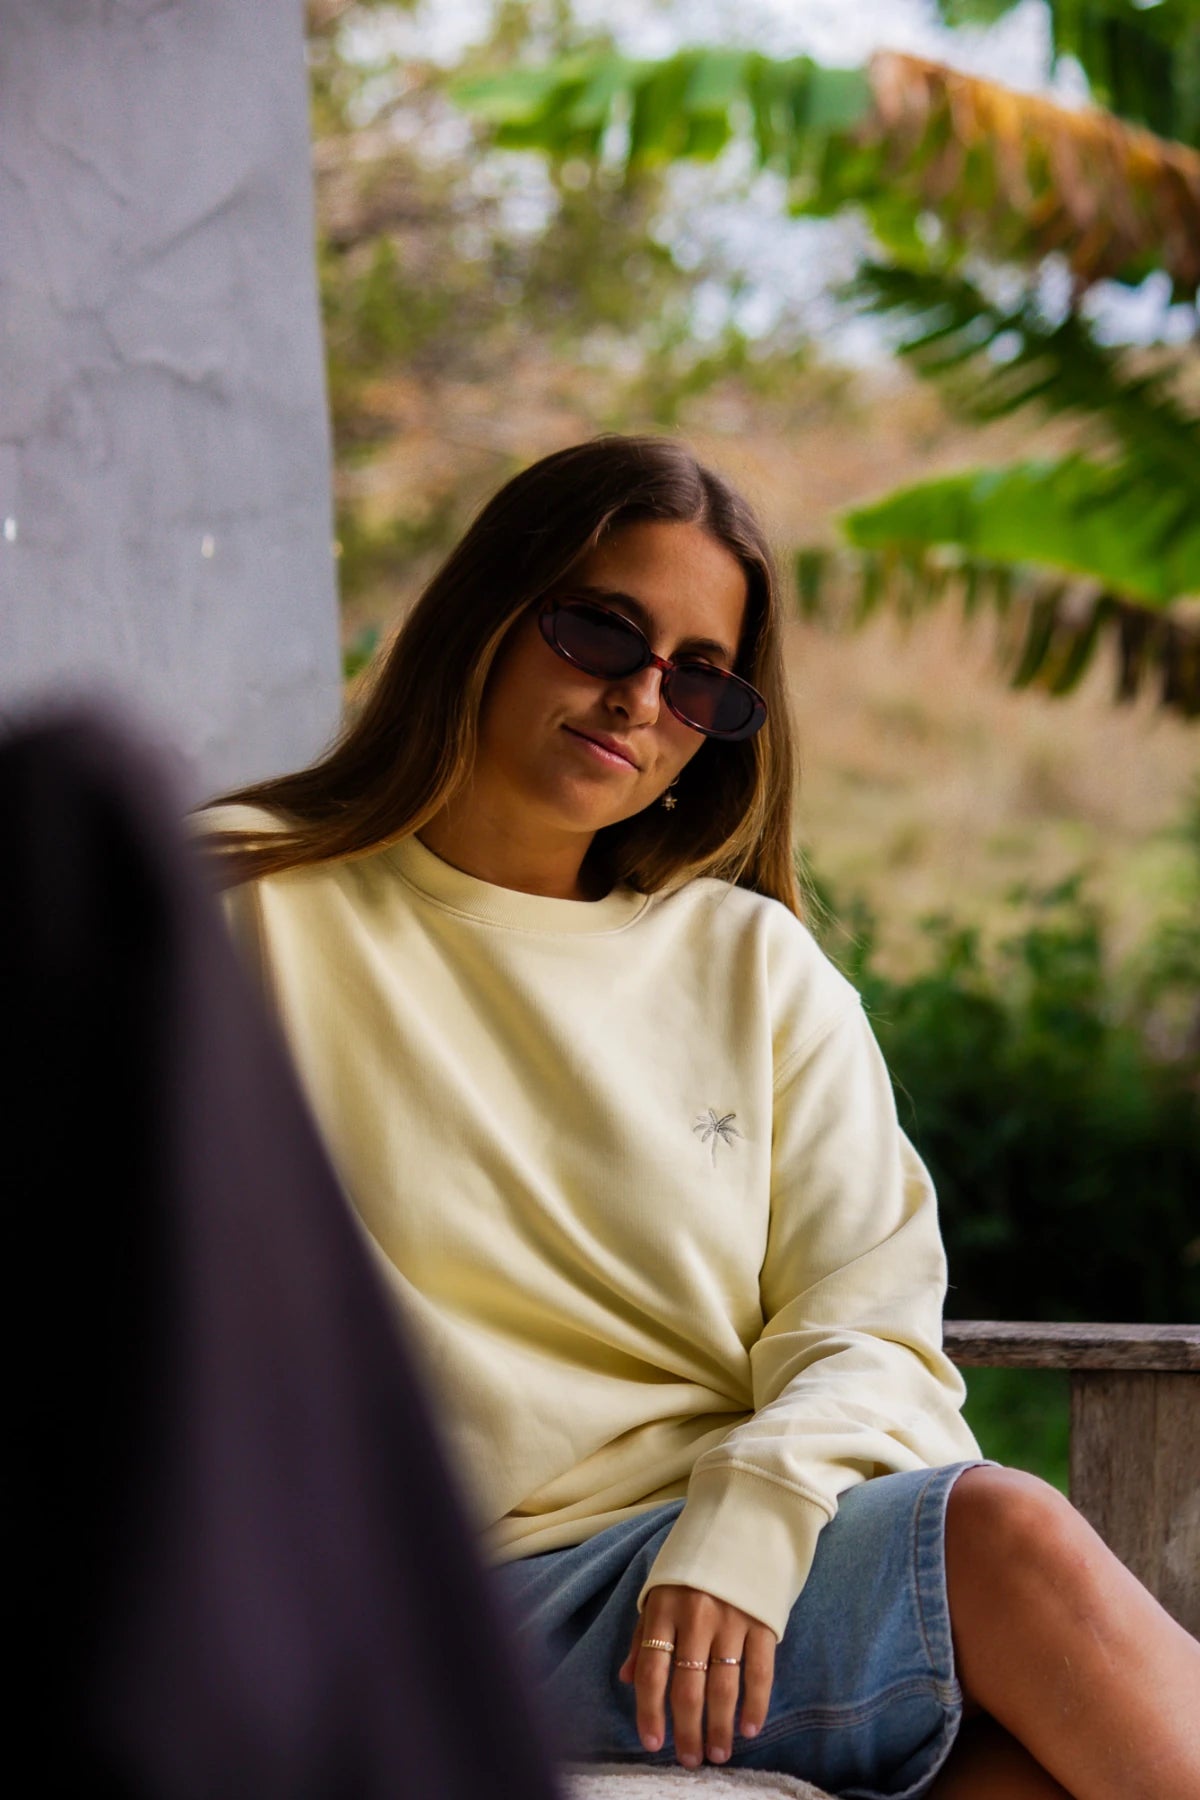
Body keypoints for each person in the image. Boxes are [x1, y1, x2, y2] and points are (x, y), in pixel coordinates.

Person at [202, 435, 1200, 1800]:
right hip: (426, 1600)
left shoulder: (756, 966)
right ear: (485, 616)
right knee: (1005, 1538)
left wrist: (751, 1518)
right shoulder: (238, 906)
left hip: (725, 1573)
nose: (638, 696)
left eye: (700, 678)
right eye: (601, 627)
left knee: (1025, 1768)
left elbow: (870, 1320)